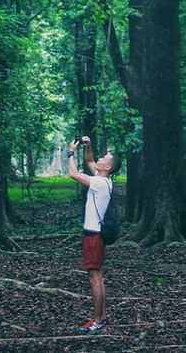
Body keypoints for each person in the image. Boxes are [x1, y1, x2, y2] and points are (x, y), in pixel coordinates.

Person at [67, 135, 122, 334]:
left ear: (107, 168)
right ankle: (102, 317)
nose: (99, 160)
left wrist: (70, 152)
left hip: (94, 236)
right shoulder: (104, 181)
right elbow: (89, 161)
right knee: (97, 276)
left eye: (103, 159)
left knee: (94, 278)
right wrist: (88, 146)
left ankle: (98, 321)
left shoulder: (99, 183)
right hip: (95, 234)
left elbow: (73, 174)